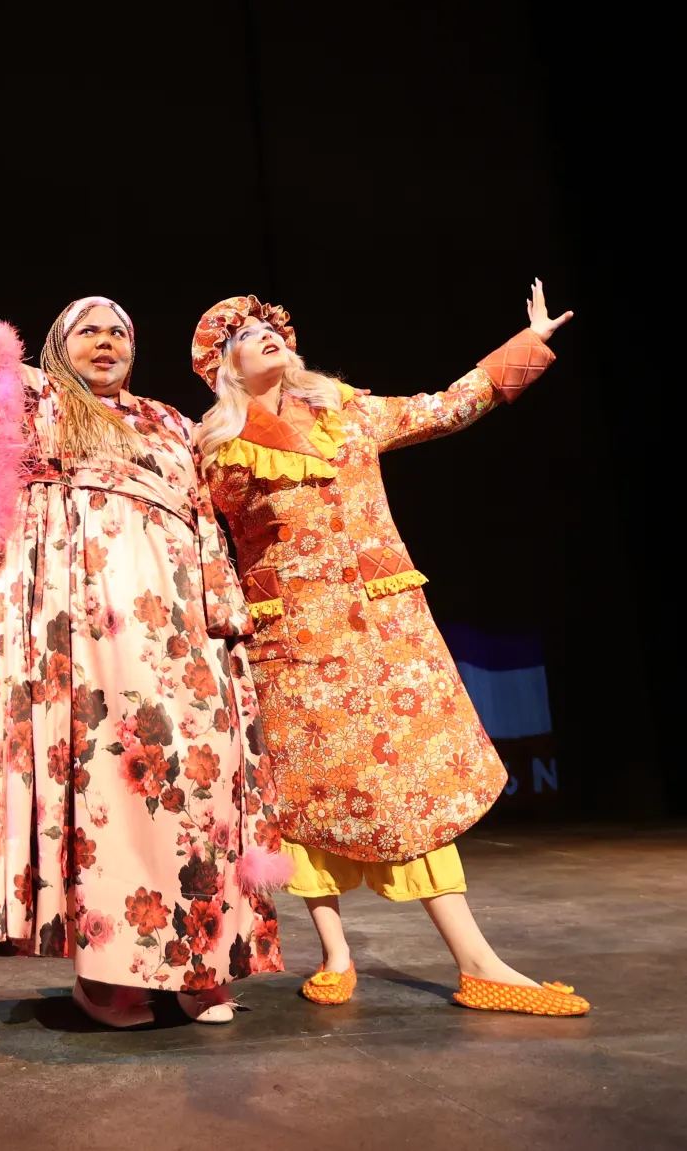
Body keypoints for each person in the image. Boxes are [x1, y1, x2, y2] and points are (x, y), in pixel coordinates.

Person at [0, 154, 288, 1027]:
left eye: (120, 331)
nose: (107, 340)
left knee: (190, 781)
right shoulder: (30, 400)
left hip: (179, 634)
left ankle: (195, 961)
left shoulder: (170, 423)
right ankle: (109, 973)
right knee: (110, 787)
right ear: (60, 348)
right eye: (88, 330)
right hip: (80, 632)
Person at [188, 285, 591, 1017]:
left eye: (272, 325)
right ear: (223, 362)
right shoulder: (213, 447)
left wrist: (528, 344)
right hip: (293, 644)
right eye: (247, 333)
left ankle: (479, 962)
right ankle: (336, 952)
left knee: (410, 789)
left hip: (382, 635)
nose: (268, 334)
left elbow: (445, 406)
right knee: (306, 798)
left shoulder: (348, 410)